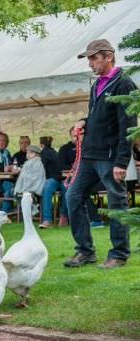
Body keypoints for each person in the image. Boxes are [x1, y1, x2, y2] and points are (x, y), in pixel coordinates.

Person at [64, 39, 137, 269]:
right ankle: (85, 252)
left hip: (110, 158)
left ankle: (119, 255)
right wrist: (83, 121)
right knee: (72, 197)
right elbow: (97, 120)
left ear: (108, 56)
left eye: (94, 57)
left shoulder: (124, 84)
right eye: (89, 58)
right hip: (89, 157)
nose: (90, 63)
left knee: (117, 204)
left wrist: (122, 162)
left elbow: (128, 126)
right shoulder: (96, 85)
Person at [38, 136, 64, 228]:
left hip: (53, 179)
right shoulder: (54, 152)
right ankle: (63, 216)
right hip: (62, 178)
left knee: (46, 190)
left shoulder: (43, 153)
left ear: (41, 145)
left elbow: (41, 169)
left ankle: (47, 220)